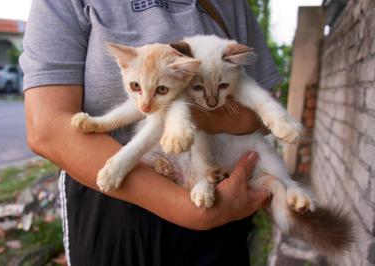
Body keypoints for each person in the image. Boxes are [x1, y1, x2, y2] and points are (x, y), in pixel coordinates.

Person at [21, 0, 281, 265]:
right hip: (112, 203)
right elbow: (48, 128)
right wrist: (192, 213)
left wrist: (183, 113)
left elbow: (262, 110)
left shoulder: (230, 4)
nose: (145, 104)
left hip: (218, 195)